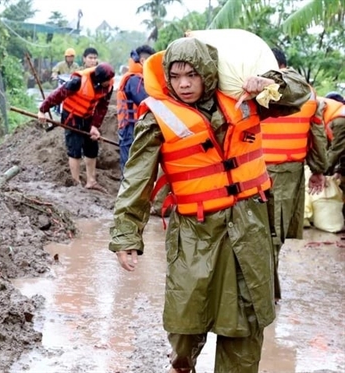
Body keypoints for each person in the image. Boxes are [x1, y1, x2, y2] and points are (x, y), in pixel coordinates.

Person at [109, 38, 312, 373]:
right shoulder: (157, 115)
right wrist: (126, 235)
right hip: (195, 232)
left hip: (249, 226)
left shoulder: (245, 98)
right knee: (186, 323)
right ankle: (181, 363)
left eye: (192, 74)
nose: (184, 83)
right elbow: (137, 180)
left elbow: (300, 94)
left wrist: (271, 83)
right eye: (175, 76)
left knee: (246, 321)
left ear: (207, 72)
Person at [260, 48, 328, 302]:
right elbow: (318, 136)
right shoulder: (309, 93)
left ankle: (266, 294)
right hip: (289, 172)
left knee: (262, 233)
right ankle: (267, 294)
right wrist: (318, 170)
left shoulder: (258, 91)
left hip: (253, 170)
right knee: (273, 235)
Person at [37, 63, 115, 191]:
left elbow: (102, 107)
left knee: (92, 147)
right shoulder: (78, 81)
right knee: (75, 148)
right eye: (107, 81)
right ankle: (76, 183)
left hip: (88, 117)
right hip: (72, 117)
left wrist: (95, 126)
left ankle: (91, 181)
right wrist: (42, 110)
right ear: (99, 80)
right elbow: (58, 95)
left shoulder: (108, 86)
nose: (109, 83)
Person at [116, 45, 156, 176]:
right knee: (130, 168)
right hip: (130, 129)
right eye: (152, 60)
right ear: (144, 61)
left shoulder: (141, 78)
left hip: (137, 127)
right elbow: (146, 101)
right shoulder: (134, 80)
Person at [322, 92, 345, 174]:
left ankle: (322, 172)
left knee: (335, 149)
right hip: (339, 119)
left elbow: (335, 150)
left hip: (340, 119)